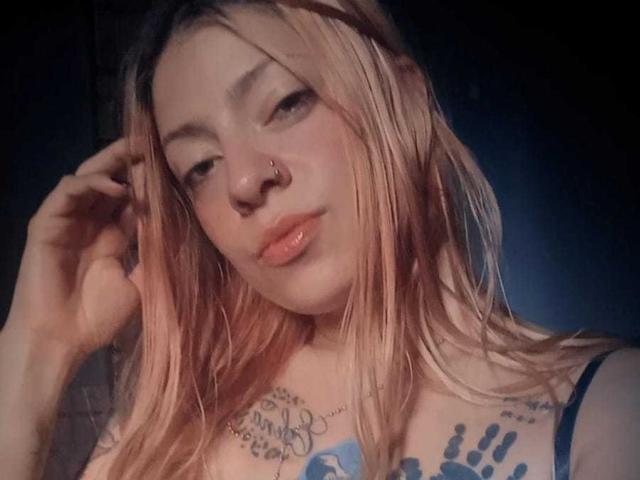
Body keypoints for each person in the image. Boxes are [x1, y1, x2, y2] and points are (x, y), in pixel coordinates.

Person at [1, 1, 637, 479]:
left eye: (285, 104)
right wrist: (36, 351)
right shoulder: (166, 437)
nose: (244, 181)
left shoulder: (606, 409)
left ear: (403, 96)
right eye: (200, 166)